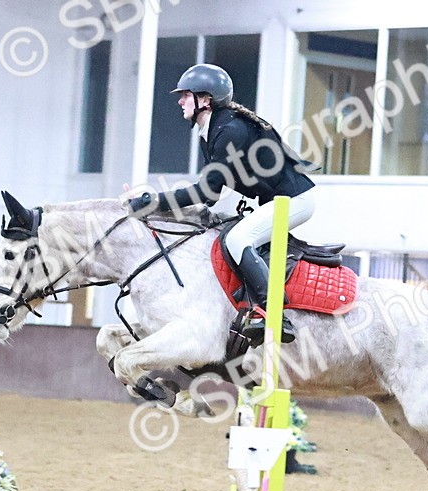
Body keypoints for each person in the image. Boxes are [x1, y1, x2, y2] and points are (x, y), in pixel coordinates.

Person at [126, 63, 316, 346]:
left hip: (294, 201)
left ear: (205, 99)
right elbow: (212, 195)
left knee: (239, 240)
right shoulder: (212, 130)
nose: (179, 101)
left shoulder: (229, 131)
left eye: (185, 95)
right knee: (225, 235)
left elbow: (206, 191)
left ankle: (273, 314)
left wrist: (153, 202)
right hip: (276, 201)